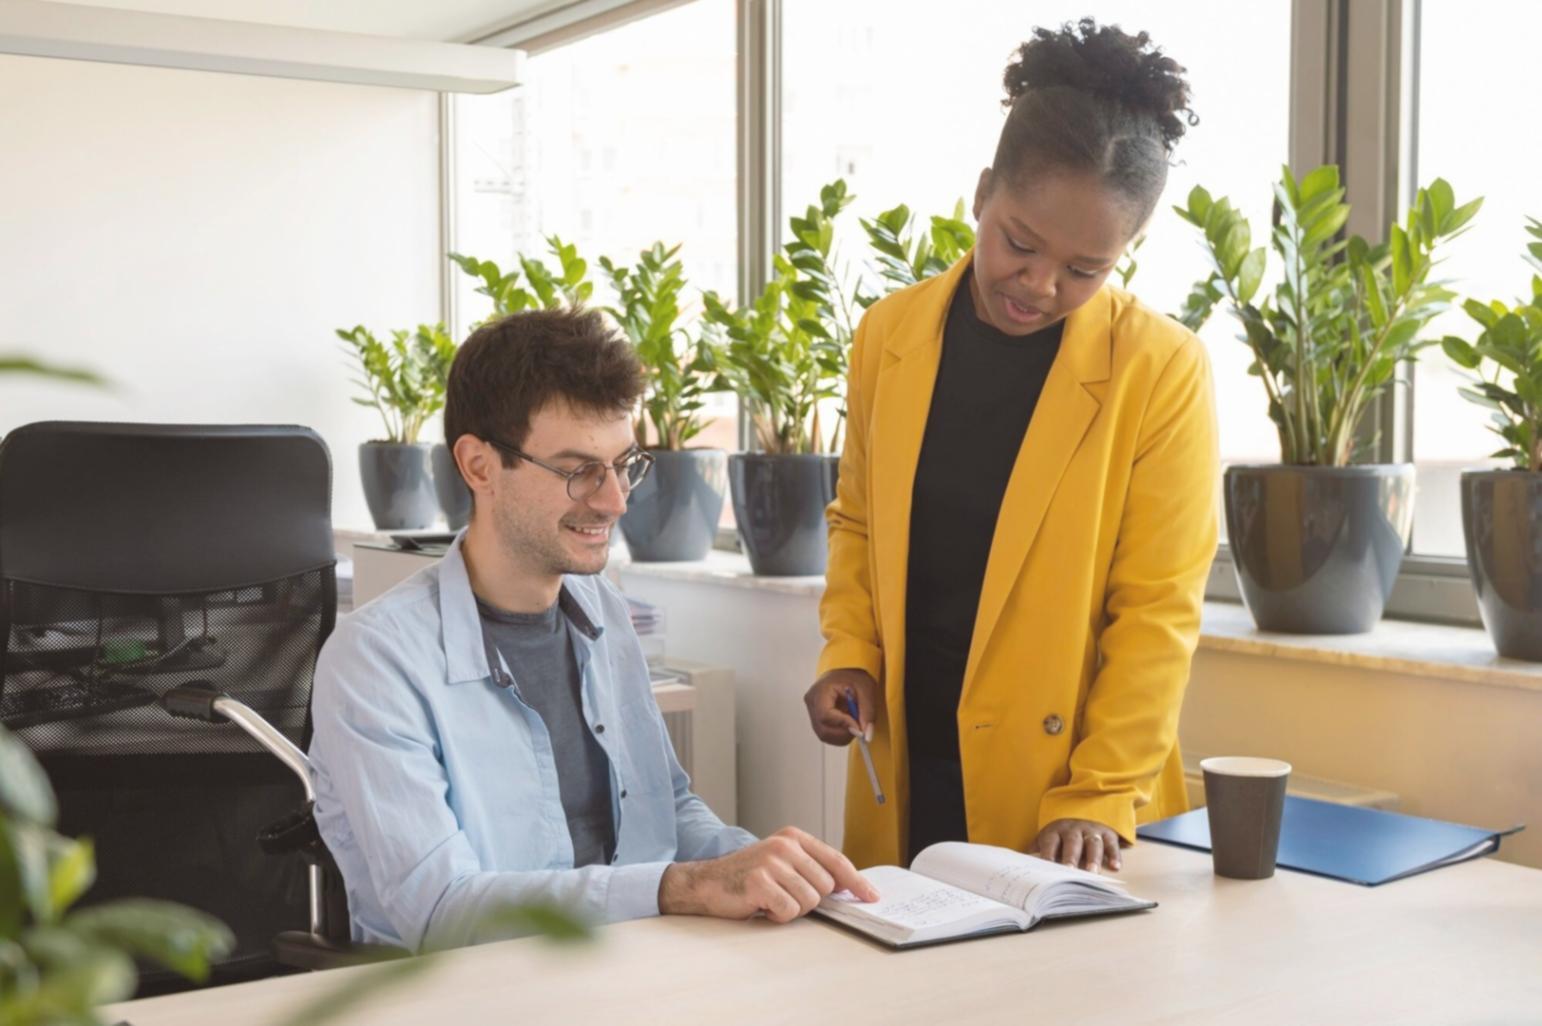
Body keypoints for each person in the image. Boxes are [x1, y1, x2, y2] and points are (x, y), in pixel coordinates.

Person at [311, 308, 876, 953]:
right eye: (579, 470)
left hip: (632, 970)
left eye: (623, 464)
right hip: (470, 997)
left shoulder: (601, 611)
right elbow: (442, 912)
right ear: (479, 466)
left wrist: (766, 869)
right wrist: (680, 887)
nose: (614, 501)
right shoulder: (375, 661)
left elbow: (669, 810)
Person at [803, 19, 1218, 875]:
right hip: (909, 761)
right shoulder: (889, 334)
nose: (1039, 286)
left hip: (1067, 801)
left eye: (1085, 269)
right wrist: (849, 656)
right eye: (1020, 244)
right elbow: (859, 525)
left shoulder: (1161, 366)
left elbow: (1157, 609)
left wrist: (1102, 790)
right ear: (984, 191)